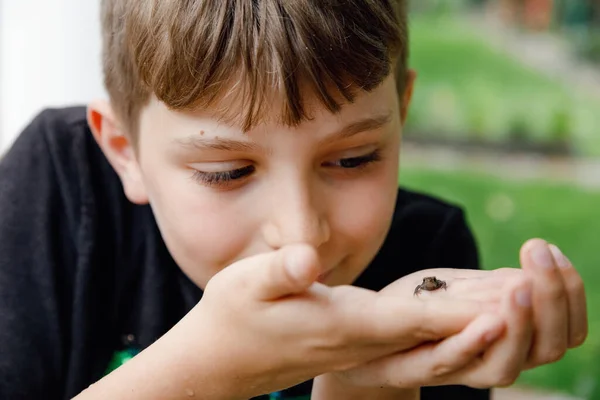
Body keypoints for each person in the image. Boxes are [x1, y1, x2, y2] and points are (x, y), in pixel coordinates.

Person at [0, 0, 587, 399]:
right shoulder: (61, 184)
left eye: (353, 159)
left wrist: (366, 383)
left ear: (399, 115)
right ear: (124, 150)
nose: (302, 237)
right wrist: (198, 373)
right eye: (227, 171)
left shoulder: (426, 253)